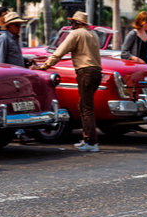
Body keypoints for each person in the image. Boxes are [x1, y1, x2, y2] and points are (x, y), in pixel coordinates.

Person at [36, 11, 102, 152]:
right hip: (96, 72)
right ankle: (88, 139)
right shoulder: (93, 34)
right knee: (84, 106)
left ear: (78, 23)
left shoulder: (76, 34)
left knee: (86, 108)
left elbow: (60, 52)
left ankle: (91, 141)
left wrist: (44, 66)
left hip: (85, 72)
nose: (70, 25)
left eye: (72, 23)